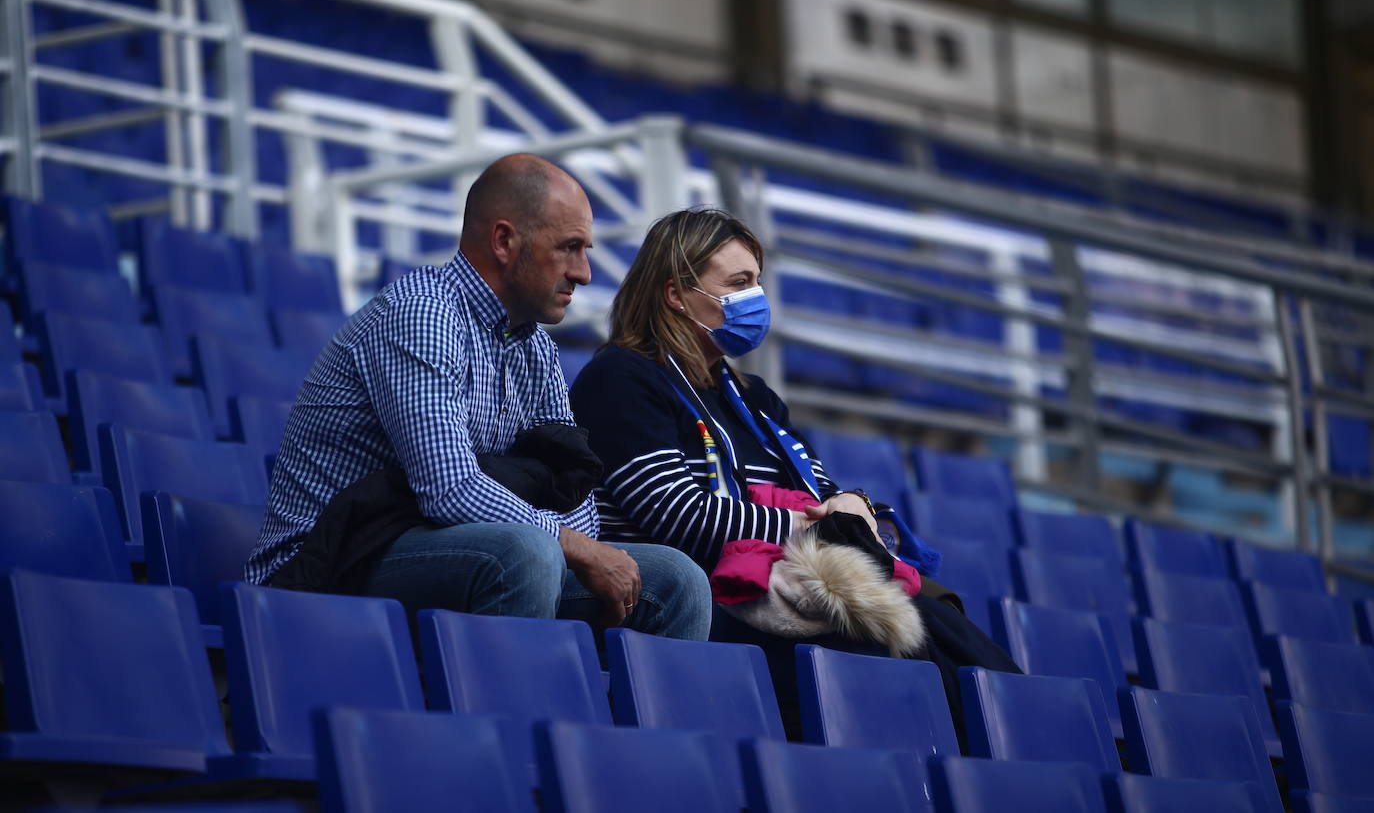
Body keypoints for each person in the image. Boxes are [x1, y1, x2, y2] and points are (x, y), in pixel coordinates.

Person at [568, 208, 1018, 735]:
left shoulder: (755, 398)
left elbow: (823, 496)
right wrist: (812, 525)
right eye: (738, 284)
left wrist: (853, 509)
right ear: (675, 294)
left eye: (757, 282)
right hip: (697, 603)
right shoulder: (622, 378)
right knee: (900, 659)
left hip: (780, 590)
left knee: (943, 625)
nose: (756, 298)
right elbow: (679, 517)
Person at [244, 154, 711, 641]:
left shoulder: (535, 347)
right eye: (570, 248)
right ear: (505, 241)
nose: (585, 273)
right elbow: (449, 490)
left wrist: (582, 545)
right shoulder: (422, 316)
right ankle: (509, 717)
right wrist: (576, 546)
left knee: (675, 581)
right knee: (525, 553)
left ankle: (626, 718)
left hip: (446, 546)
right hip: (326, 562)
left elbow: (572, 486)